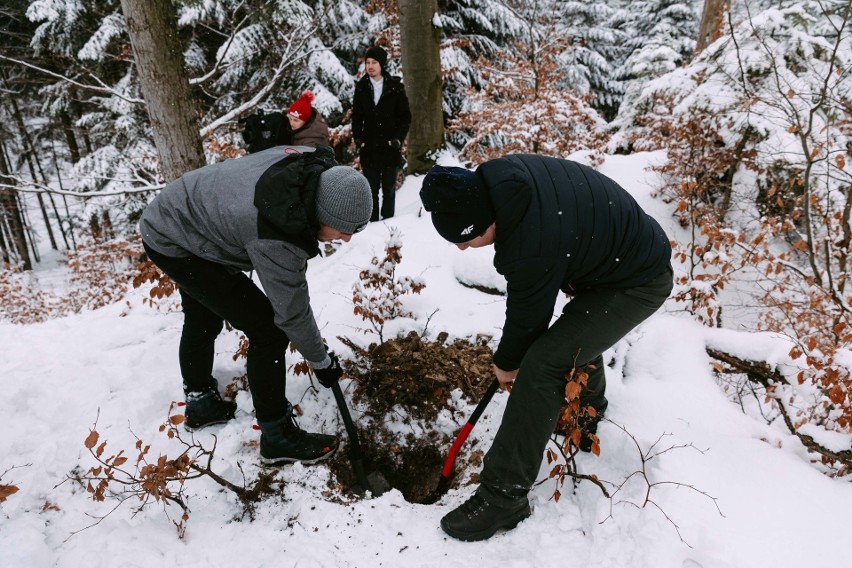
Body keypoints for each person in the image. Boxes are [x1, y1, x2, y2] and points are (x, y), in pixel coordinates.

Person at [419, 155, 673, 541]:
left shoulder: (530, 239)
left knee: (542, 362)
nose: (462, 248)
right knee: (572, 338)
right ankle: (584, 421)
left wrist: (506, 364)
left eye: (465, 239)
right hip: (615, 262)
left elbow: (528, 318)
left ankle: (503, 497)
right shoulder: (502, 183)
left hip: (637, 280)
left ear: (483, 222)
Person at [139, 145, 372, 466]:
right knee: (268, 330)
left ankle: (200, 403)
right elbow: (291, 313)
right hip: (173, 235)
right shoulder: (277, 234)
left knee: (204, 316)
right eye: (344, 231)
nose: (346, 240)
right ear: (322, 215)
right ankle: (276, 434)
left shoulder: (307, 165)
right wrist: (321, 361)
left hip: (187, 210)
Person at [351, 45, 411, 222]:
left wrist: (397, 139)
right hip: (369, 146)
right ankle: (372, 223)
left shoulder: (395, 87)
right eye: (367, 62)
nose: (370, 66)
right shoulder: (361, 87)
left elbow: (405, 116)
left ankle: (388, 223)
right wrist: (359, 138)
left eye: (374, 62)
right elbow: (356, 116)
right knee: (371, 189)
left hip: (389, 146)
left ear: (382, 64)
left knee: (388, 189)